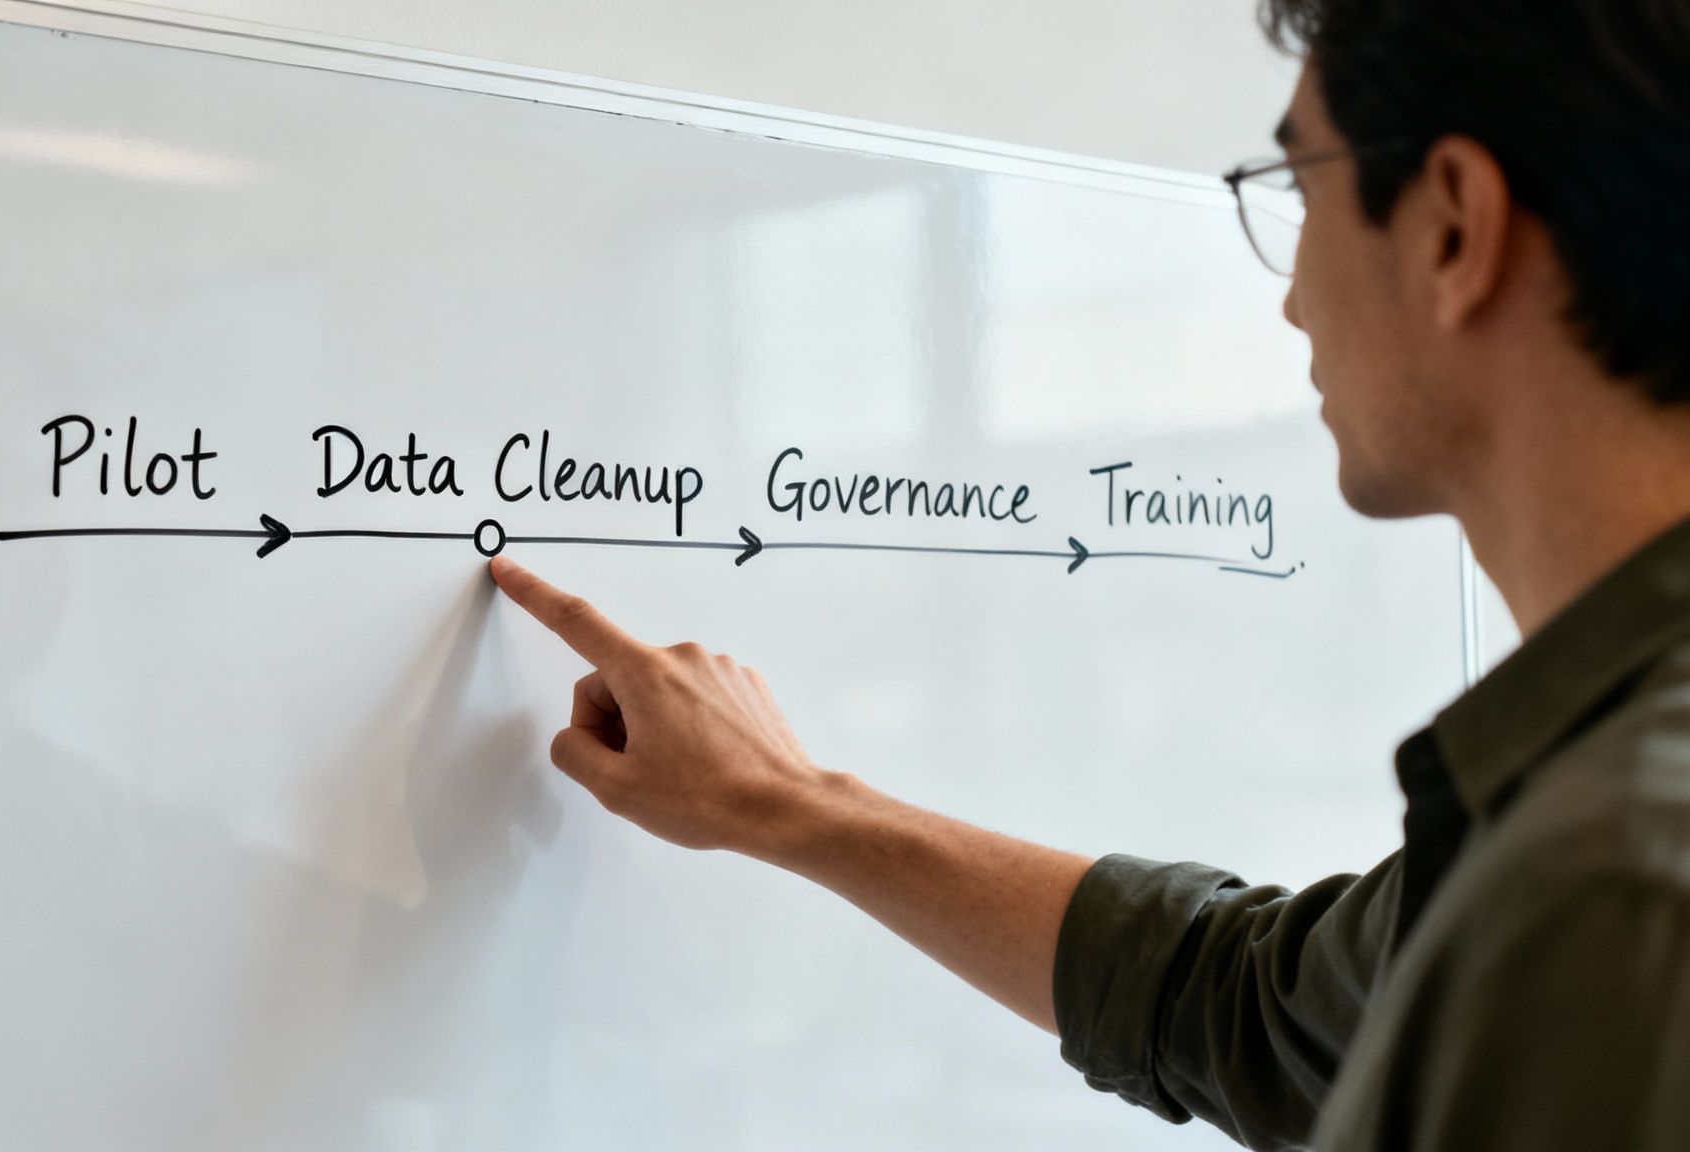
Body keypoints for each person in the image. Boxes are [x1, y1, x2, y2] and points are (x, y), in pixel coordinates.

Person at [489, 1, 1690, 1149]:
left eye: (1301, 195)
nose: (1288, 299)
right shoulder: (1576, 845)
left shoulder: (1610, 893)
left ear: (1450, 229)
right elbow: (1252, 1005)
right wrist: (792, 802)